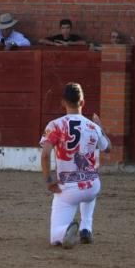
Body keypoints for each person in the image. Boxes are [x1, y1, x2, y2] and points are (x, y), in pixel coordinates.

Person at [40, 82, 111, 248]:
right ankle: (86, 227)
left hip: (69, 189)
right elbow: (108, 148)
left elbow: (45, 155)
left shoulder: (55, 125)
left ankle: (66, 230)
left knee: (55, 236)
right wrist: (101, 129)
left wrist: (48, 180)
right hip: (92, 186)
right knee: (89, 187)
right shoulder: (93, 126)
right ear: (83, 102)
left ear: (63, 102)